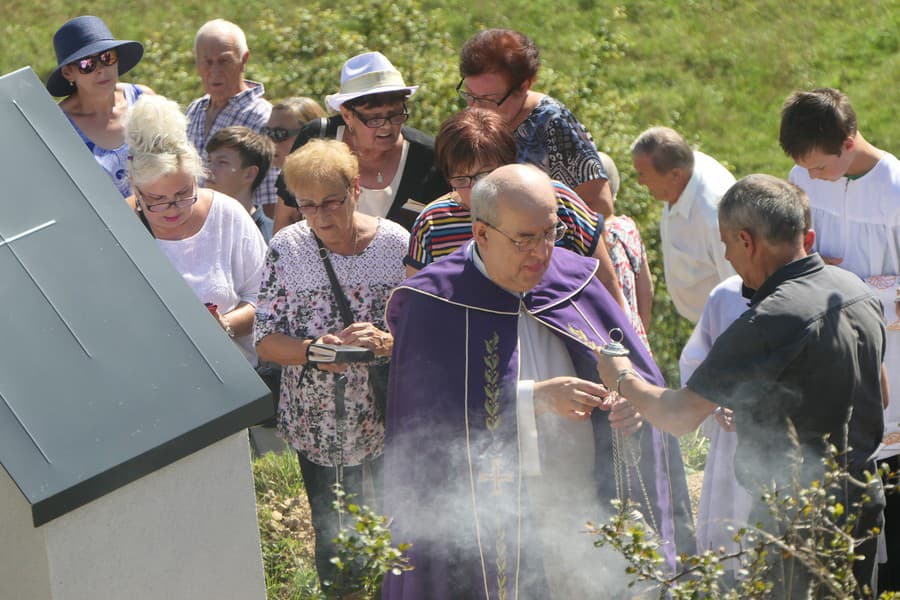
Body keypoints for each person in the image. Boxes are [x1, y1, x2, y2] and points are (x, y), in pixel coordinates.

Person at [382, 164, 694, 599]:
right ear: (482, 233)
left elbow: (633, 371)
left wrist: (628, 403)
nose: (542, 252)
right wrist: (534, 398)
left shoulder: (573, 280)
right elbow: (423, 427)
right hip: (491, 519)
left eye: (550, 232)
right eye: (524, 239)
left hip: (582, 498)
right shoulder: (435, 303)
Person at [596, 174, 887, 594]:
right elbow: (879, 393)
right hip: (861, 503)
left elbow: (677, 416)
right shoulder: (855, 291)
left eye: (727, 243)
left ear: (746, 240)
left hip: (799, 519)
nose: (728, 257)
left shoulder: (770, 318)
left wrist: (621, 377)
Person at [255, 139, 408, 593]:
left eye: (331, 202)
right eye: (306, 206)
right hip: (319, 420)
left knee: (397, 524)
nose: (320, 217)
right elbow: (265, 340)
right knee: (333, 529)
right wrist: (313, 351)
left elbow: (425, 331)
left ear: (356, 189)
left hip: (387, 413)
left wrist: (385, 341)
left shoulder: (396, 244)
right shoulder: (287, 247)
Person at [779, 86, 900, 592]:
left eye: (819, 168)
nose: (810, 179)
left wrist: (859, 291)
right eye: (803, 168)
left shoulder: (895, 187)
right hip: (829, 349)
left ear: (849, 142)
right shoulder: (803, 181)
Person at [405, 108, 628, 311]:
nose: (475, 189)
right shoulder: (433, 223)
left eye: (486, 175)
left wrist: (620, 345)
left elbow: (606, 282)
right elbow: (417, 305)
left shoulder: (557, 200)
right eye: (462, 179)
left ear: (509, 162)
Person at [124, 94, 266, 367]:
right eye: (155, 199)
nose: (172, 208)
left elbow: (266, 298)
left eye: (183, 193)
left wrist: (224, 325)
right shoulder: (117, 226)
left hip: (232, 375)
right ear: (134, 186)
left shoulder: (228, 214)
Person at [272, 52, 448, 234]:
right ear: (347, 115)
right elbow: (287, 216)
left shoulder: (428, 156)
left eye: (395, 115)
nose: (386, 127)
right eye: (374, 119)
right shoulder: (318, 137)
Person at [457, 29, 613, 217]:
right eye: (470, 95)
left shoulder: (553, 124)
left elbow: (600, 205)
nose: (476, 108)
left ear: (524, 86)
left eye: (489, 99)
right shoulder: (471, 120)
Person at [630, 127, 735, 323]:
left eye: (643, 174)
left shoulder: (714, 216)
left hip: (723, 329)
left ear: (675, 175)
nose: (640, 182)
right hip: (704, 323)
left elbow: (739, 286)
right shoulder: (679, 175)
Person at [47, 15, 155, 197]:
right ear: (68, 73)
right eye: (87, 64)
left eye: (107, 56)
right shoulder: (57, 126)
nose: (101, 69)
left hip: (164, 220)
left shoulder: (144, 99)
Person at [185, 20, 277, 212]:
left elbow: (271, 203)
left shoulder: (263, 118)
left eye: (224, 61)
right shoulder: (195, 110)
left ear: (244, 60)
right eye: (207, 62)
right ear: (197, 63)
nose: (215, 71)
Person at [599, 152, 654, 345]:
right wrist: (640, 331)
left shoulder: (584, 235)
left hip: (602, 340)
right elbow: (646, 289)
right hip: (634, 337)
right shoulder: (628, 228)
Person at [205, 126, 275, 243]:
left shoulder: (267, 239)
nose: (209, 169)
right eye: (209, 161)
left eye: (222, 162)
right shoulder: (196, 226)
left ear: (249, 174)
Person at [260, 96, 326, 218]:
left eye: (279, 134)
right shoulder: (286, 180)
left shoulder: (331, 182)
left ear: (309, 134)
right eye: (266, 132)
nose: (270, 141)